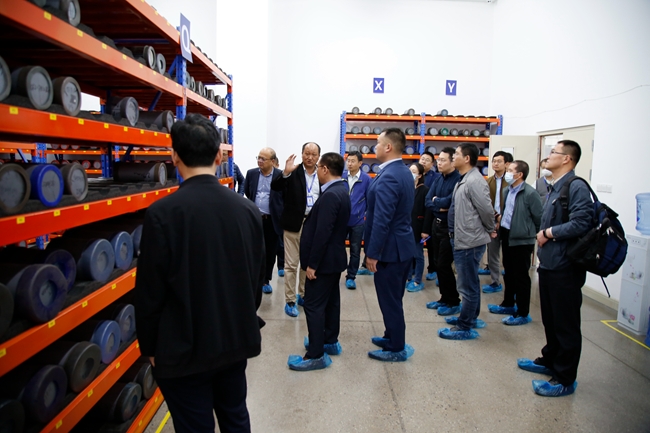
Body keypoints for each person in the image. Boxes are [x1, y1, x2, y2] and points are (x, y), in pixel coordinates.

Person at [135, 113, 264, 433]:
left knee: (194, 426)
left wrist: (150, 347)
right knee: (235, 417)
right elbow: (255, 279)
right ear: (219, 156)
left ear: (174, 156)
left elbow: (150, 291)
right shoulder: (247, 210)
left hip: (182, 348)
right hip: (233, 341)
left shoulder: (162, 214)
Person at [517, 140, 592, 397]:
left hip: (565, 267)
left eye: (553, 152)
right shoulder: (555, 186)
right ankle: (550, 360)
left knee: (565, 324)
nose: (548, 156)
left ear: (567, 159)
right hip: (549, 265)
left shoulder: (576, 186)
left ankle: (565, 379)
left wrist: (548, 232)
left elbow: (582, 222)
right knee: (550, 320)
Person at [287, 153, 351, 371]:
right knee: (331, 302)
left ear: (324, 169)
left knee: (313, 306)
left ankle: (315, 354)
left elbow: (323, 233)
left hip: (323, 263)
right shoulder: (341, 190)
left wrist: (312, 264)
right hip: (333, 260)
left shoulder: (331, 195)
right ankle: (329, 340)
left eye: (318, 168)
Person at [364, 128, 415, 362]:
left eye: (377, 143)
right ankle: (390, 335)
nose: (374, 147)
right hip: (401, 246)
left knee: (390, 300)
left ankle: (396, 347)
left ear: (388, 147)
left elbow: (382, 219)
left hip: (390, 251)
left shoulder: (390, 176)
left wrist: (373, 253)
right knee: (394, 297)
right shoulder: (402, 171)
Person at [438, 143, 494, 340]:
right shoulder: (464, 179)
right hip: (462, 239)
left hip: (470, 241)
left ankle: (464, 327)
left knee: (467, 286)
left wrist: (490, 229)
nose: (453, 157)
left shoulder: (475, 181)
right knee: (470, 283)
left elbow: (486, 210)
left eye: (456, 154)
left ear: (467, 158)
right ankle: (470, 317)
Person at [487, 160, 542, 326]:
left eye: (510, 170)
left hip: (522, 240)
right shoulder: (507, 190)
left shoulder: (530, 194)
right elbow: (506, 212)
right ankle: (508, 304)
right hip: (507, 235)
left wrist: (529, 233)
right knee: (509, 272)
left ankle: (523, 312)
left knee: (521, 276)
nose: (507, 173)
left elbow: (539, 218)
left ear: (520, 175)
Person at [271, 142, 321, 317]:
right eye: (307, 153)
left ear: (318, 157)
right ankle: (290, 300)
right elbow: (275, 187)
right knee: (291, 264)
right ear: (302, 154)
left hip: (312, 224)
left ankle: (303, 294)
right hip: (293, 224)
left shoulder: (322, 173)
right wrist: (285, 173)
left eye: (313, 154)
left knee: (306, 263)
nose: (310, 157)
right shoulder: (293, 171)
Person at [424, 147, 461, 314]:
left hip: (449, 227)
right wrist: (438, 204)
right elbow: (427, 201)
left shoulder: (458, 180)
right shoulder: (438, 179)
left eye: (443, 160)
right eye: (438, 160)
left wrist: (437, 202)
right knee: (437, 263)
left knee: (444, 264)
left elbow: (450, 202)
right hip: (436, 224)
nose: (439, 163)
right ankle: (444, 298)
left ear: (453, 162)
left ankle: (453, 301)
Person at [244, 147, 283, 295]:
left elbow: (284, 197)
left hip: (271, 220)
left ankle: (266, 279)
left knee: (270, 251)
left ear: (272, 161)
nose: (259, 161)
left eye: (263, 159)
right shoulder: (251, 173)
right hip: (254, 219)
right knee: (253, 249)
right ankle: (253, 277)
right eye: (258, 158)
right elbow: (248, 191)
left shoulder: (280, 176)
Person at [481, 150, 513, 293]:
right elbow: (486, 203)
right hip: (493, 222)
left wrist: (503, 218)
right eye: (493, 161)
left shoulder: (511, 182)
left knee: (509, 255)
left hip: (509, 223)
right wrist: (495, 217)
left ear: (507, 164)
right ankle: (495, 282)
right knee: (492, 254)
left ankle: (511, 285)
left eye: (499, 161)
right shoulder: (488, 182)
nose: (495, 164)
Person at [342, 151, 372, 290]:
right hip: (341, 221)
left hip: (358, 222)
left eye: (353, 161)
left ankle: (351, 277)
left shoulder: (366, 179)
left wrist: (363, 214)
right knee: (338, 247)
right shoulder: (342, 176)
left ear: (360, 163)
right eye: (348, 160)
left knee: (355, 250)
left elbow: (370, 199)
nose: (349, 163)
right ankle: (337, 270)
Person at [406, 163, 432, 292]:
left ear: (420, 175)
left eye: (414, 171)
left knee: (418, 255)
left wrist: (425, 230)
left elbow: (428, 212)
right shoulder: (407, 188)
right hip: (406, 228)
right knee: (407, 255)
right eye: (410, 170)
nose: (411, 173)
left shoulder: (424, 190)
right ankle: (408, 277)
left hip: (418, 228)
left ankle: (417, 280)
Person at [419, 151, 441, 281]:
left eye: (427, 160)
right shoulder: (414, 174)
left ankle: (433, 268)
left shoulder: (436, 177)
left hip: (430, 213)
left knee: (432, 244)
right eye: (422, 159)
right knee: (415, 243)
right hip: (416, 213)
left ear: (432, 164)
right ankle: (414, 267)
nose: (423, 161)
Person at [273, 156, 285, 277]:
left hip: (280, 215)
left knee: (281, 244)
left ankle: (281, 266)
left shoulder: (282, 178)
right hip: (267, 215)